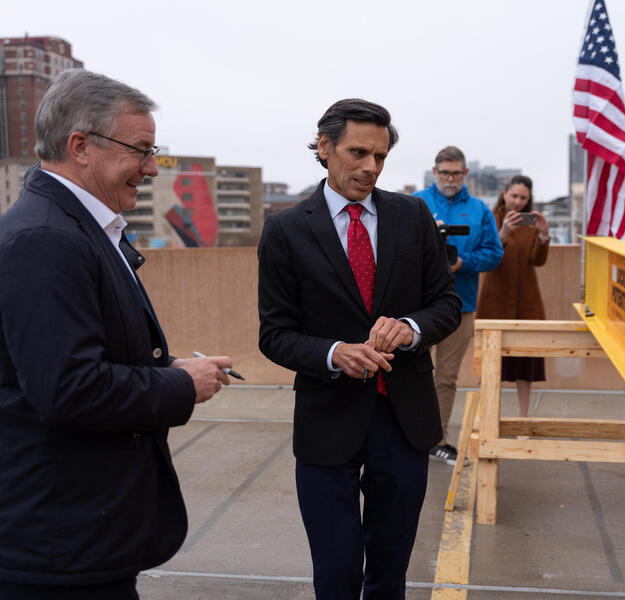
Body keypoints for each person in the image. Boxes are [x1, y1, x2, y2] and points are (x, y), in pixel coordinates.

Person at [0, 69, 233, 599]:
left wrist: (165, 369)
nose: (151, 168)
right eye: (141, 150)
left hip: (84, 535)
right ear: (80, 146)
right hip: (60, 545)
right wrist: (180, 385)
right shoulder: (45, 239)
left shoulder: (75, 228)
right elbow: (68, 389)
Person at [257, 99, 461, 599]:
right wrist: (334, 353)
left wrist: (411, 328)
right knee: (336, 569)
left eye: (381, 156)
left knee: (390, 571)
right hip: (327, 422)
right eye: (358, 153)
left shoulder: (412, 215)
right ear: (324, 148)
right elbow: (274, 334)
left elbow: (446, 304)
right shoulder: (285, 230)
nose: (371, 167)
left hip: (404, 418)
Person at [413, 146, 503, 465]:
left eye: (456, 173)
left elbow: (495, 253)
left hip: (460, 306)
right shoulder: (416, 203)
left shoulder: (480, 210)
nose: (450, 178)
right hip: (417, 306)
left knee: (446, 377)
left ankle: (436, 440)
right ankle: (408, 434)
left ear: (466, 174)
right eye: (444, 172)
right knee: (411, 373)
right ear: (434, 172)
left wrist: (463, 262)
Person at [476, 175, 550, 418]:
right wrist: (504, 232)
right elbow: (487, 258)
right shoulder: (490, 217)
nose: (517, 202)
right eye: (514, 196)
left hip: (526, 300)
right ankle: (487, 417)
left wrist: (543, 236)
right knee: (490, 364)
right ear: (504, 193)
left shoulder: (531, 223)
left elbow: (537, 261)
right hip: (494, 300)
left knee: (525, 365)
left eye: (523, 198)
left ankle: (523, 419)